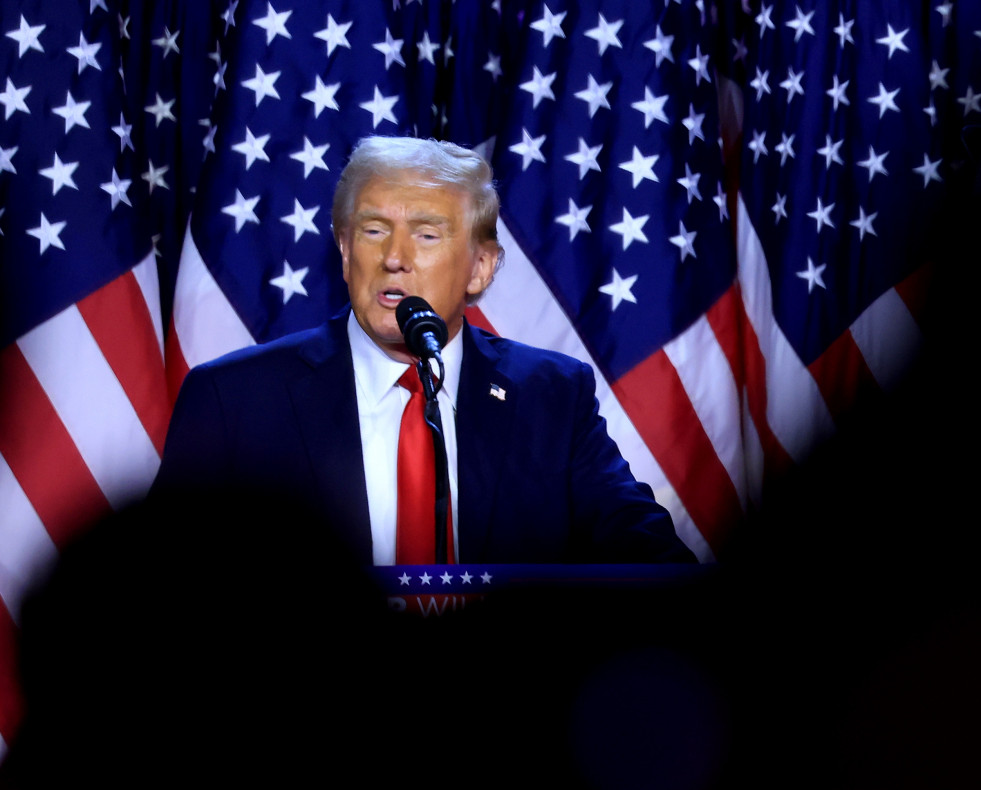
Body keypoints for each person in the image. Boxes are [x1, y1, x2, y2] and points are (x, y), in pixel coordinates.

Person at [151, 135, 696, 566]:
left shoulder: (550, 397)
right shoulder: (236, 399)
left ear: (480, 268)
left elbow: (649, 562)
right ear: (344, 252)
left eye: (427, 235)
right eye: (372, 231)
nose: (395, 257)